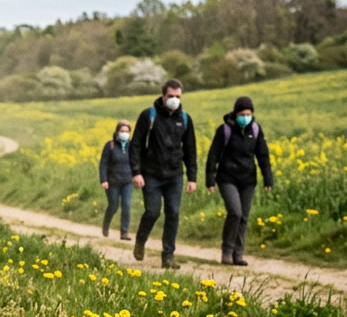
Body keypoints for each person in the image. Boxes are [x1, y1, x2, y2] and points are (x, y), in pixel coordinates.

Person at [128, 78, 198, 269]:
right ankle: (140, 241)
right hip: (151, 174)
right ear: (163, 95)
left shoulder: (184, 119)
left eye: (177, 96)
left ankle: (168, 256)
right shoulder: (148, 116)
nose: (174, 100)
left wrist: (192, 177)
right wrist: (136, 172)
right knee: (152, 212)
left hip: (175, 175)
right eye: (170, 96)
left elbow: (190, 149)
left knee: (173, 213)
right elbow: (135, 145)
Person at [205, 96, 274, 266]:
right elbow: (213, 154)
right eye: (242, 114)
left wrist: (268, 178)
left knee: (243, 216)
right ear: (235, 114)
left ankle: (238, 254)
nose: (245, 117)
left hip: (248, 179)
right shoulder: (225, 130)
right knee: (235, 212)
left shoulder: (256, 130)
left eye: (248, 113)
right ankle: (227, 251)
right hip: (227, 178)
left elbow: (263, 155)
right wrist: (210, 179)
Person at [99, 120, 134, 240]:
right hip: (112, 181)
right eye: (122, 131)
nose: (124, 133)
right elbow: (103, 164)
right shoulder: (110, 145)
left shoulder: (132, 146)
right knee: (113, 205)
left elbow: (137, 163)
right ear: (117, 132)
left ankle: (124, 232)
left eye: (127, 131)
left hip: (127, 181)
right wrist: (104, 179)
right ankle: (106, 224)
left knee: (127, 205)